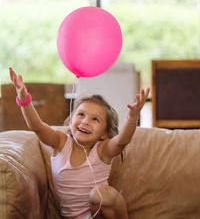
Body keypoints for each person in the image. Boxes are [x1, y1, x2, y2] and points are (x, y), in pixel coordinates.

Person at [9, 67, 150, 219]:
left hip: (101, 215)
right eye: (81, 115)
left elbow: (122, 141)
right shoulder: (61, 143)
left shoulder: (102, 151)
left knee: (101, 194)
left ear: (105, 133)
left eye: (95, 119)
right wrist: (24, 100)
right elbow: (37, 127)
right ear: (70, 122)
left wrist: (132, 117)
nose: (85, 122)